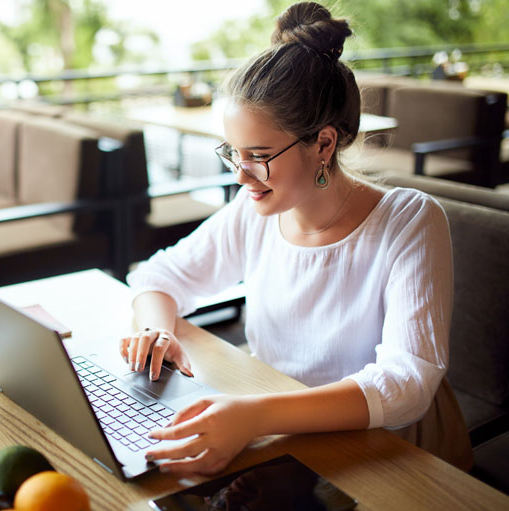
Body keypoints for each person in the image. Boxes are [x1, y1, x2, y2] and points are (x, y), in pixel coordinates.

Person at [119, 2, 472, 475]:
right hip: (277, 426)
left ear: (324, 144)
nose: (242, 176)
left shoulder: (408, 222)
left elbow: (407, 384)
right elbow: (159, 275)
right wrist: (156, 330)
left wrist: (255, 415)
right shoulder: (254, 212)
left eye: (259, 156)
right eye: (233, 154)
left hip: (384, 449)